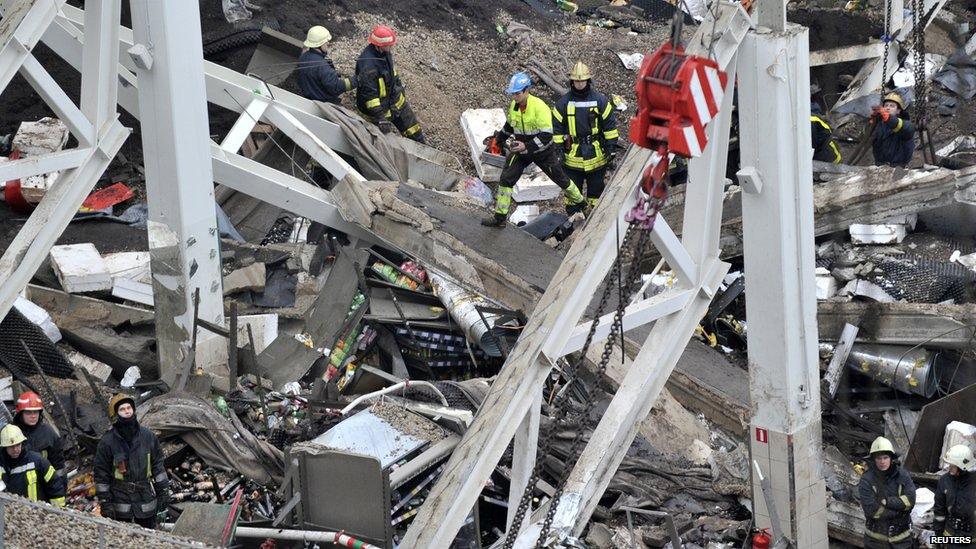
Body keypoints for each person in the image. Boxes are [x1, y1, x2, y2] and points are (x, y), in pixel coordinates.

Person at [481, 72, 586, 227]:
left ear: (526, 90)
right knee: (506, 179)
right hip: (522, 152)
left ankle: (581, 203)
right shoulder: (514, 106)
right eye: (513, 94)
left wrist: (527, 146)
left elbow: (546, 135)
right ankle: (499, 218)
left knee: (561, 180)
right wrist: (499, 139)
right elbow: (510, 125)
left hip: (543, 152)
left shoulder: (539, 107)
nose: (514, 97)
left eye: (517, 93)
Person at [94, 394, 169, 528]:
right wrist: (105, 502)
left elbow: (158, 465)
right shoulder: (107, 442)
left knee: (148, 538)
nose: (127, 411)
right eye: (122, 409)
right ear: (115, 415)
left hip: (145, 500)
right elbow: (101, 475)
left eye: (129, 408)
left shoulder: (148, 436)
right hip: (120, 504)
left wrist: (163, 490)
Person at [552, 61, 619, 211]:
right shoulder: (563, 103)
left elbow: (610, 126)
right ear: (572, 81)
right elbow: (557, 129)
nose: (580, 83)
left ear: (588, 80)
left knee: (596, 193)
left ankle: (595, 222)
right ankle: (573, 223)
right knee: (572, 195)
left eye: (582, 80)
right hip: (572, 158)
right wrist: (558, 150)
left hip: (596, 156)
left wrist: (611, 147)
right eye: (577, 80)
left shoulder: (601, 101)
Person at [355, 25, 426, 143]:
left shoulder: (385, 54)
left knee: (414, 132)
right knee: (381, 143)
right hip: (379, 111)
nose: (392, 46)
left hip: (395, 102)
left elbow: (393, 75)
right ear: (379, 46)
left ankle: (424, 151)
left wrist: (400, 91)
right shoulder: (368, 65)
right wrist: (381, 118)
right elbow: (370, 96)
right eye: (389, 45)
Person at [858, 436, 917, 548]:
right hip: (875, 542)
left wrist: (886, 502)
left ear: (891, 458)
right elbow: (872, 511)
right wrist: (901, 511)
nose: (882, 462)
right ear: (873, 459)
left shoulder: (902, 475)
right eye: (879, 458)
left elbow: (910, 501)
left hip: (902, 541)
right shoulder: (866, 480)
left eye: (885, 458)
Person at [0, 424, 65, 506]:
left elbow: (55, 485)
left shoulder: (37, 461)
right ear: (4, 447)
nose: (16, 449)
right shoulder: (2, 465)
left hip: (37, 514)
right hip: (10, 514)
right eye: (11, 447)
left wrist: (58, 511)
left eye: (18, 445)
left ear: (22, 443)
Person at [296, 25, 356, 105]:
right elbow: (336, 87)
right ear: (319, 44)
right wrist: (356, 80)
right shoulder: (322, 66)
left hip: (308, 97)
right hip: (323, 103)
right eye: (326, 41)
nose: (328, 43)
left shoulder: (303, 56)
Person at [932, 444, 975, 546]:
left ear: (962, 467)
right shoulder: (945, 481)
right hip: (950, 536)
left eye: (953, 465)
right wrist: (938, 537)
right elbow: (939, 510)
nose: (949, 467)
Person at [13, 391, 65, 474]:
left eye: (35, 412)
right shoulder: (12, 434)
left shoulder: (48, 433)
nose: (33, 416)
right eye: (28, 412)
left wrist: (60, 485)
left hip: (45, 483)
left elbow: (59, 465)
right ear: (20, 414)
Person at [871, 92, 915, 167]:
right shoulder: (880, 125)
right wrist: (871, 123)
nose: (888, 108)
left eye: (892, 106)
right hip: (880, 166)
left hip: (899, 167)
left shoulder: (906, 124)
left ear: (898, 110)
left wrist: (888, 118)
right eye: (886, 105)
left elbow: (906, 129)